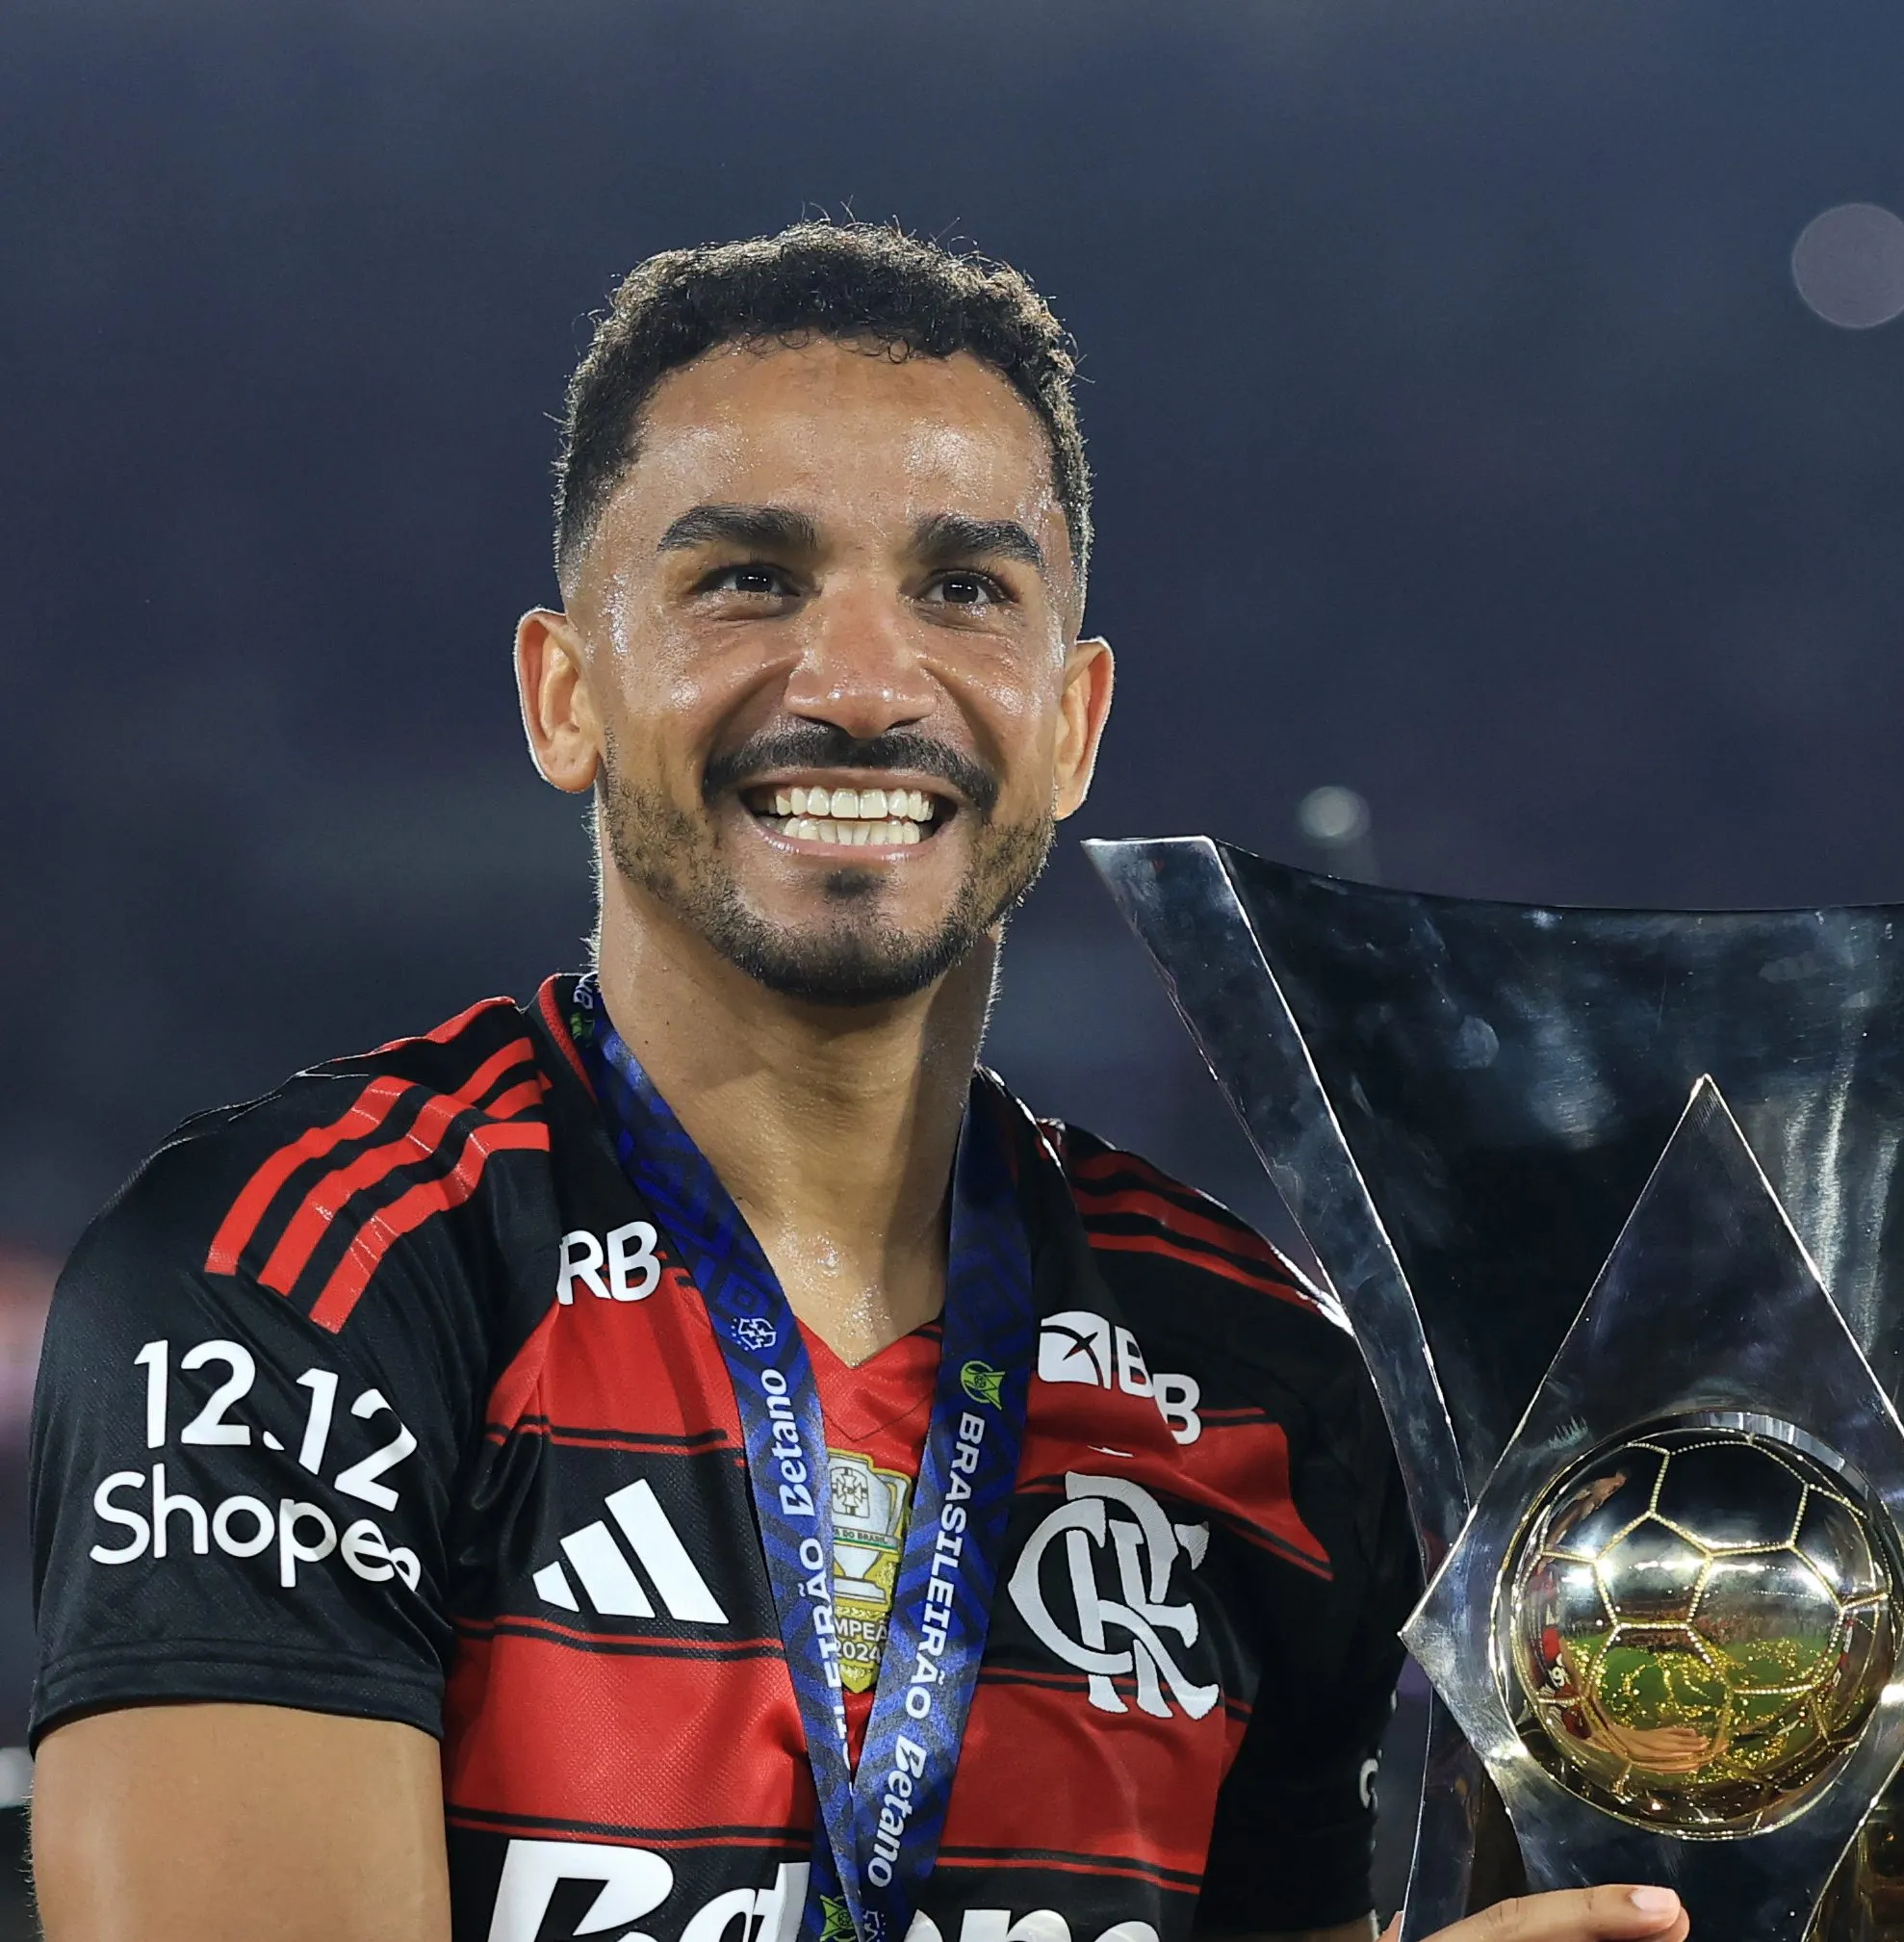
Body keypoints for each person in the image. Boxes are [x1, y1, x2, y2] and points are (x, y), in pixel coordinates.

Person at [25, 222, 1688, 1942]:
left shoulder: (1258, 1383)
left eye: (966, 591)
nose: (864, 688)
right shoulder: (296, 1282)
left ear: (1072, 722)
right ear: (564, 693)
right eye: (747, 575)